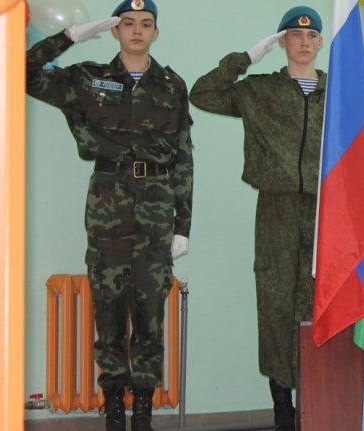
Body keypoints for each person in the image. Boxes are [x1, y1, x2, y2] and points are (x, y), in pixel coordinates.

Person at [25, 1, 194, 430]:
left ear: (156, 32)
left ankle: (143, 409)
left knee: (151, 313)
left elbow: (183, 157)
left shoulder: (172, 85)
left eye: (146, 24)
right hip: (107, 204)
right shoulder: (88, 79)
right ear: (115, 32)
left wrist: (183, 225)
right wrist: (67, 38)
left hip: (156, 206)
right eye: (127, 23)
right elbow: (21, 72)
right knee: (109, 310)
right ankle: (114, 405)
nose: (137, 30)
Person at [188, 6, 324, 430]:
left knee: (320, 303)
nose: (304, 42)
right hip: (276, 208)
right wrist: (244, 58)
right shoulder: (260, 90)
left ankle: (318, 401)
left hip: (324, 209)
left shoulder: (338, 93)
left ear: (320, 42)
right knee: (276, 302)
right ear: (282, 42)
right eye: (294, 35)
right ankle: (283, 407)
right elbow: (202, 94)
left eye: (311, 35)